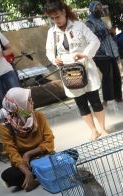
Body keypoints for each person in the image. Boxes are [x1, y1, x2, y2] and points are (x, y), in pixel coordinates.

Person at [45, 0, 108, 141]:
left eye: (58, 17)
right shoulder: (52, 32)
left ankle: (103, 129)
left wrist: (85, 54)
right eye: (52, 18)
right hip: (68, 71)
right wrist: (55, 60)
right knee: (81, 102)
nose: (56, 21)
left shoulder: (79, 25)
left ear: (64, 12)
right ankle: (93, 131)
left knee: (95, 99)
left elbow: (95, 41)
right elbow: (49, 52)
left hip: (85, 66)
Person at [0, 87, 55, 192]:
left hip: (43, 157)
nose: (32, 102)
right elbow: (12, 154)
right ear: (18, 106)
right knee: (8, 175)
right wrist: (27, 172)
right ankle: (35, 176)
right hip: (26, 165)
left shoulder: (38, 116)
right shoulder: (5, 127)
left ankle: (35, 177)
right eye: (29, 100)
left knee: (72, 154)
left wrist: (27, 154)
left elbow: (49, 142)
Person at [85, 1, 123, 104]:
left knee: (116, 75)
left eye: (100, 8)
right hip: (101, 54)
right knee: (107, 76)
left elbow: (108, 36)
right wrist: (107, 31)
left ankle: (118, 97)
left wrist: (112, 32)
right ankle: (106, 100)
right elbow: (93, 38)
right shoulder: (90, 23)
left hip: (111, 52)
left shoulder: (102, 21)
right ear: (92, 10)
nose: (99, 10)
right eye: (97, 9)